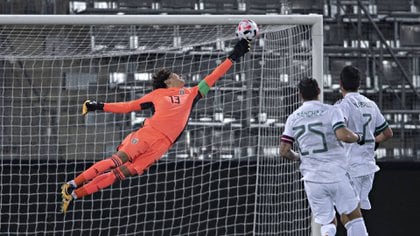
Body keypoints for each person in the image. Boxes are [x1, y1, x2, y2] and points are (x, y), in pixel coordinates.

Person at [60, 39, 251, 214]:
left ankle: (74, 195)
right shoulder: (157, 94)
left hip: (162, 146)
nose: (180, 75)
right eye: (175, 74)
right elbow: (128, 107)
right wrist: (100, 106)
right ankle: (72, 183)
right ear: (168, 81)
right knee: (115, 161)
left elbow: (213, 76)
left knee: (118, 175)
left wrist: (233, 56)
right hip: (148, 134)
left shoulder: (192, 93)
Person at [280, 78, 369, 236]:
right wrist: (358, 137)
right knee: (354, 216)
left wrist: (298, 157)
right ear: (319, 91)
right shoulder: (331, 111)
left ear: (300, 95)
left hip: (312, 179)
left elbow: (284, 151)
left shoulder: (293, 118)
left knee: (328, 223)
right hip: (336, 174)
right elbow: (343, 135)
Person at [334, 65, 393, 223]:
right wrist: (373, 141)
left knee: (346, 214)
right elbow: (388, 133)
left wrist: (357, 137)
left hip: (351, 167)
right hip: (368, 168)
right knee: (350, 214)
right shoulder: (370, 104)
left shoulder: (343, 105)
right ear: (359, 83)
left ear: (340, 83)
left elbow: (342, 134)